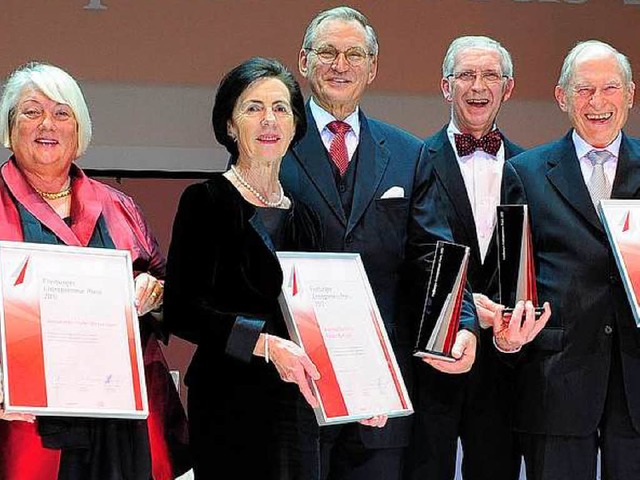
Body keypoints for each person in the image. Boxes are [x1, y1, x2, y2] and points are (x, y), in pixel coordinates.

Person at [281, 7, 478, 480]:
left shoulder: (409, 154)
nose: (340, 64)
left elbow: (434, 253)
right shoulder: (272, 144)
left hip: (379, 390)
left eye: (355, 54)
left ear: (373, 68)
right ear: (304, 61)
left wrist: (462, 322)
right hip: (294, 386)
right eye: (327, 51)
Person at [0, 62, 190, 480]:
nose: (47, 123)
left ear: (80, 130)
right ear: (10, 126)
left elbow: (169, 287)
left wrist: (154, 291)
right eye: (31, 111)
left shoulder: (119, 206)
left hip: (120, 417)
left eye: (62, 113)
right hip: (23, 420)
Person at [163, 57, 324, 480]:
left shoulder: (307, 216)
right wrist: (267, 345)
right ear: (231, 125)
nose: (269, 120)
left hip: (299, 407)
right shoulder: (205, 202)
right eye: (253, 107)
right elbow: (183, 309)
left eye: (281, 108)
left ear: (295, 125)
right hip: (229, 402)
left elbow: (322, 318)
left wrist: (358, 395)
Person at [407, 35, 551, 480]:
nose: (478, 86)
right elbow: (413, 255)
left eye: (490, 75)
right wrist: (469, 313)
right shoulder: (413, 160)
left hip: (506, 367)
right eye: (466, 74)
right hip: (436, 357)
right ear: (445, 86)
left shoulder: (533, 168)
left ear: (508, 88)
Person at [502, 40, 640, 480]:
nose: (597, 103)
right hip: (555, 380)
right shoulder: (525, 171)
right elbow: (512, 280)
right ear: (562, 97)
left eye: (610, 88)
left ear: (631, 94)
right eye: (583, 90)